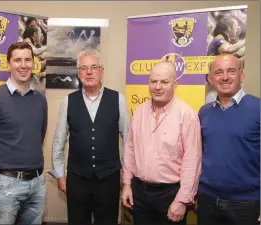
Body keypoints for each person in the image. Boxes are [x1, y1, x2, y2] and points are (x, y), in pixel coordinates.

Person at [50, 49, 130, 225]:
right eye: (84, 68)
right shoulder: (68, 101)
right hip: (77, 180)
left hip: (108, 180)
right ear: (78, 73)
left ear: (101, 71)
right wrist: (60, 176)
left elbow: (128, 141)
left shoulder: (118, 100)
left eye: (94, 67)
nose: (89, 72)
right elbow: (58, 141)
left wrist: (127, 178)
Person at [121, 61, 202, 225]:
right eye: (153, 81)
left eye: (164, 82)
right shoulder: (139, 111)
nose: (157, 87)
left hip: (171, 194)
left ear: (175, 84)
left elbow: (192, 161)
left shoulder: (187, 115)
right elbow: (130, 149)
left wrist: (182, 200)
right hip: (140, 192)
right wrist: (127, 184)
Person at [0, 41, 48, 225]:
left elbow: (39, 135)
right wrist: (3, 168)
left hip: (37, 183)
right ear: (8, 64)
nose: (23, 65)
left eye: (27, 60)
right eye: (17, 60)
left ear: (33, 64)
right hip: (7, 184)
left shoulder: (40, 100)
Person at [197, 54, 260, 225]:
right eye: (218, 72)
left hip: (246, 204)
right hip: (206, 200)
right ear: (210, 79)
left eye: (231, 71)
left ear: (242, 75)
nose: (225, 77)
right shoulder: (204, 112)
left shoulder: (258, 109)